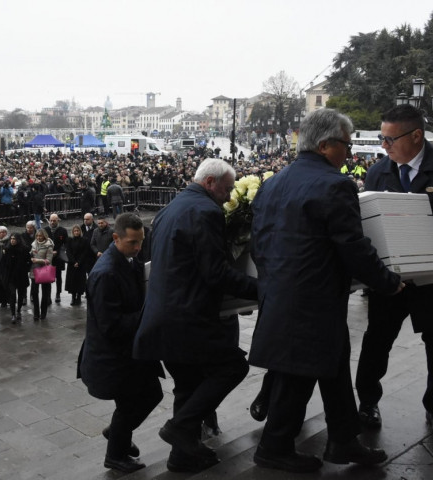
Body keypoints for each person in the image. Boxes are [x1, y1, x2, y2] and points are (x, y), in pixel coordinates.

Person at [248, 108, 404, 473]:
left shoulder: (273, 182)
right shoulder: (335, 184)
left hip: (284, 293)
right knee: (297, 373)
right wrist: (388, 281)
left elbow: (259, 242)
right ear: (325, 145)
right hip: (313, 299)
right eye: (346, 146)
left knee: (331, 366)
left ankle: (344, 441)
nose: (349, 155)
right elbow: (353, 247)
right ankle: (274, 447)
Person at [133, 158, 258, 473]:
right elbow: (215, 273)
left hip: (162, 316)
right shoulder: (206, 211)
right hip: (187, 319)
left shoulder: (168, 210)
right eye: (227, 189)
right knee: (232, 367)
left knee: (188, 386)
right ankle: (181, 426)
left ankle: (181, 456)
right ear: (211, 183)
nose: (229, 197)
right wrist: (263, 290)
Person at [356, 104, 433, 428]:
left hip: (431, 280)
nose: (384, 147)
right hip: (391, 280)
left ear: (417, 136)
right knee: (376, 342)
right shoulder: (378, 172)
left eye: (390, 139)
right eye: (381, 139)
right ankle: (367, 402)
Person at [78, 213, 164, 473]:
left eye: (140, 242)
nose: (138, 248)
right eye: (132, 243)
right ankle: (116, 454)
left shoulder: (127, 260)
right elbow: (110, 324)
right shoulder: (105, 273)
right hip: (113, 355)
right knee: (131, 403)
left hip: (129, 351)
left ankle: (118, 436)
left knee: (149, 395)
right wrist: (150, 312)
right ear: (115, 238)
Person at [2, 233, 30, 324]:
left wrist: (25, 269)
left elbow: (28, 261)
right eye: (11, 239)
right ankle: (13, 313)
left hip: (21, 276)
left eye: (14, 239)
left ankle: (18, 311)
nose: (12, 240)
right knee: (13, 294)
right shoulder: (7, 249)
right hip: (11, 277)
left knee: (21, 295)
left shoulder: (24, 249)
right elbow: (3, 262)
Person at [29, 228, 54, 321]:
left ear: (44, 236)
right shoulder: (34, 244)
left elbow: (49, 260)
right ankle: (36, 313)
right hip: (34, 270)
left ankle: (43, 312)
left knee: (45, 293)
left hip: (45, 271)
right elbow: (31, 254)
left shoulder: (49, 245)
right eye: (37, 236)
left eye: (40, 236)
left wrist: (38, 260)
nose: (38, 237)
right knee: (34, 293)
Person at [44, 213, 68, 304]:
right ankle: (48, 295)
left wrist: (57, 251)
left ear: (58, 220)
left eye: (54, 220)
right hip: (48, 257)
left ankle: (58, 293)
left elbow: (66, 244)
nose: (52, 222)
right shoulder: (45, 230)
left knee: (58, 276)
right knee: (48, 277)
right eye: (51, 220)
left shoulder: (63, 230)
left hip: (58, 257)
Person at [65, 224, 90, 305]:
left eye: (78, 230)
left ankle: (79, 297)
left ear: (80, 231)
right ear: (72, 232)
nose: (76, 232)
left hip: (81, 264)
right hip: (72, 264)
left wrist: (78, 262)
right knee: (72, 281)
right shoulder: (69, 240)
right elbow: (68, 252)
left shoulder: (85, 240)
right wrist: (73, 261)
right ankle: (73, 297)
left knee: (80, 281)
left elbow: (85, 252)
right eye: (75, 231)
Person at [0, 225, 10, 308]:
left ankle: (9, 299)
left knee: (7, 284)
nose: (2, 234)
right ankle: (2, 301)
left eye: (4, 232)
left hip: (7, 266)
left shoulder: (9, 241)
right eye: (0, 232)